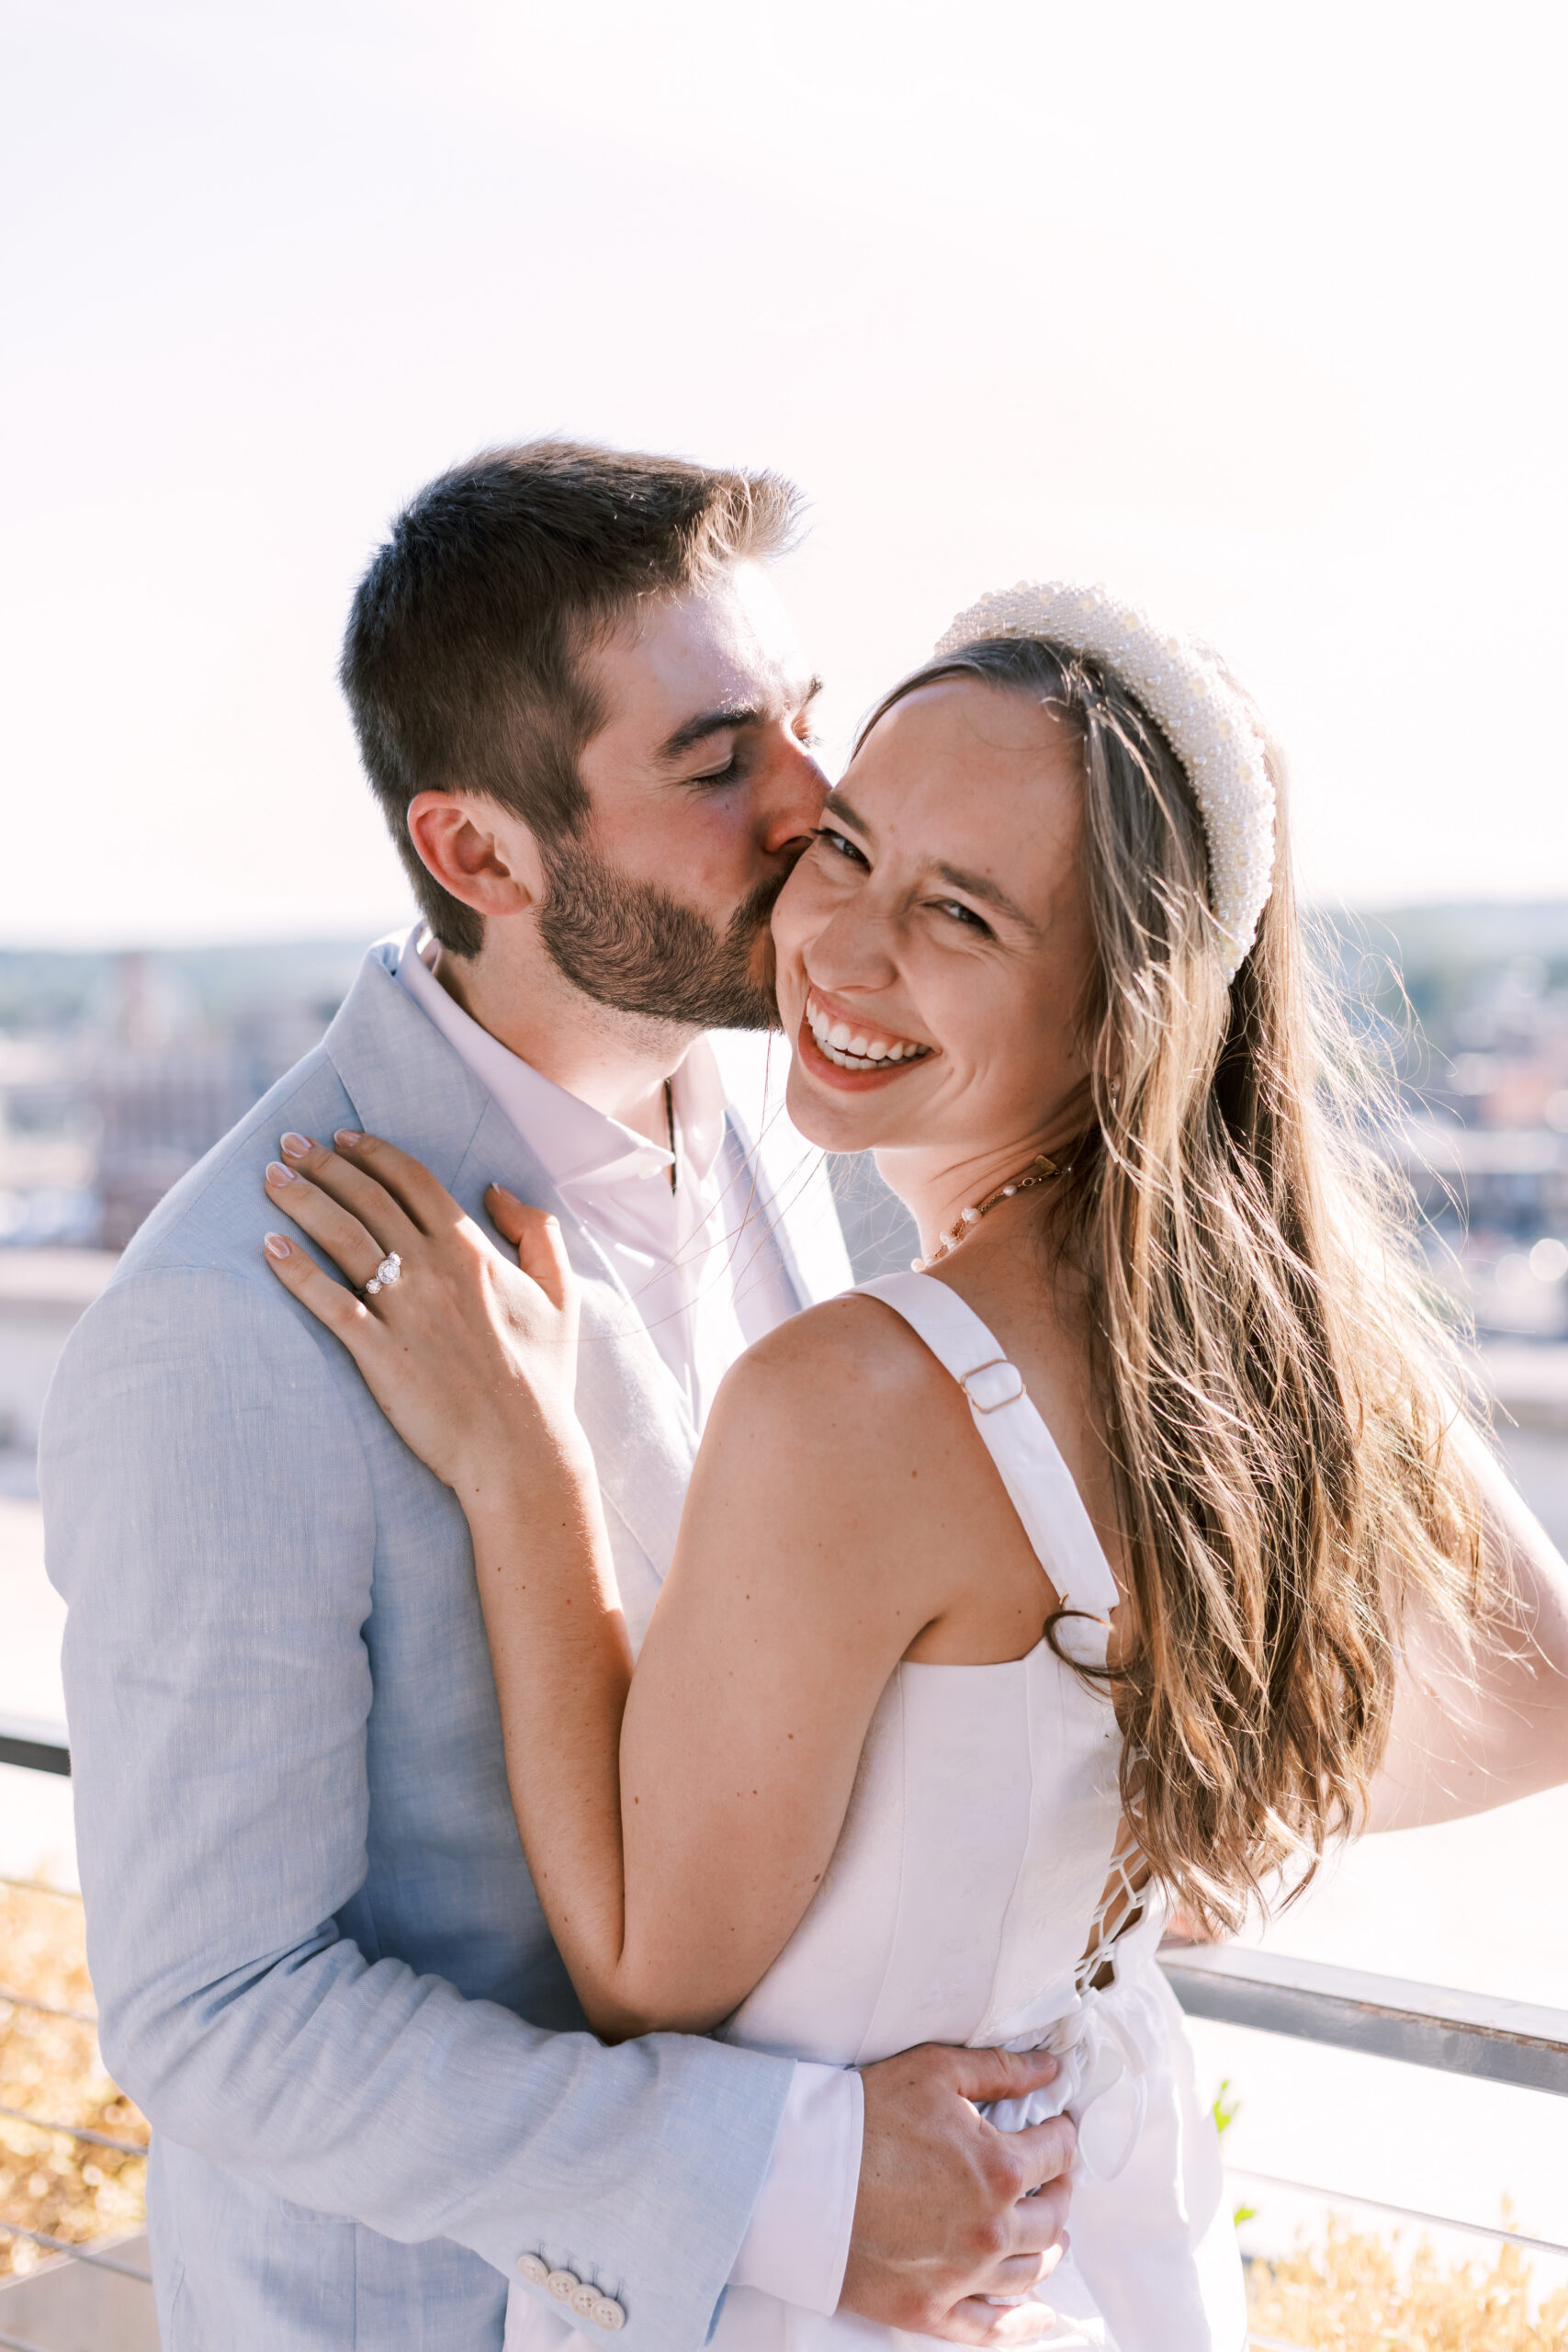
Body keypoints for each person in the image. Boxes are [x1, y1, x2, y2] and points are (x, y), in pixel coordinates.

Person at [262, 581, 1568, 2351]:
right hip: (1085, 2255)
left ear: (1125, 1006)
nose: (844, 950)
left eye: (962, 914)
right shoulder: (1251, 1328)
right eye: (850, 849)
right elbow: (1539, 1688)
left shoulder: (861, 1395)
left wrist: (520, 1459)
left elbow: (653, 1963)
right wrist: (1128, 1880)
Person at [39, 448, 1079, 2352]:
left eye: (801, 721)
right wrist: (801, 2178)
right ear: (479, 853)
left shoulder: (779, 1100)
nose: (810, 805)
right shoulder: (216, 1332)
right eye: (711, 761)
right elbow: (219, 2010)